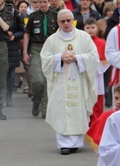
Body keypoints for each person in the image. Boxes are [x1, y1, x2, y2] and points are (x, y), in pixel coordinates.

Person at [41, 9, 99, 154]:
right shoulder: (52, 40)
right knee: (61, 109)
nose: (66, 24)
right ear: (58, 22)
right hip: (60, 81)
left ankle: (76, 142)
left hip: (78, 80)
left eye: (68, 20)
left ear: (73, 20)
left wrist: (77, 58)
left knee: (78, 108)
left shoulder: (84, 37)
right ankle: (64, 144)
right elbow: (45, 59)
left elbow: (93, 57)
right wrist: (59, 57)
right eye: (63, 21)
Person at [22, 0, 58, 119]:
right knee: (38, 80)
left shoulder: (55, 16)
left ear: (48, 1)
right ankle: (36, 101)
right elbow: (27, 34)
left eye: (44, 2)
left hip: (51, 48)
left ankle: (45, 108)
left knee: (49, 80)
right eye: (40, 2)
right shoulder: (33, 17)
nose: (42, 4)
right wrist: (25, 51)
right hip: (37, 48)